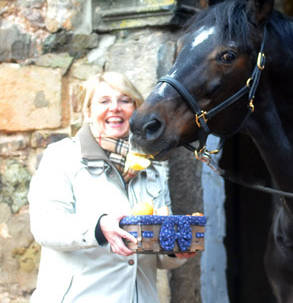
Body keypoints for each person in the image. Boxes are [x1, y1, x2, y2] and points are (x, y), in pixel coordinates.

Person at [28, 71, 194, 303]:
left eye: (125, 100)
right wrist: (99, 227)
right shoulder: (62, 157)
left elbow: (156, 253)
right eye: (104, 101)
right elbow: (46, 227)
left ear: (136, 111)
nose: (115, 108)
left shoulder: (152, 167)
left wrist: (174, 251)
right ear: (88, 112)